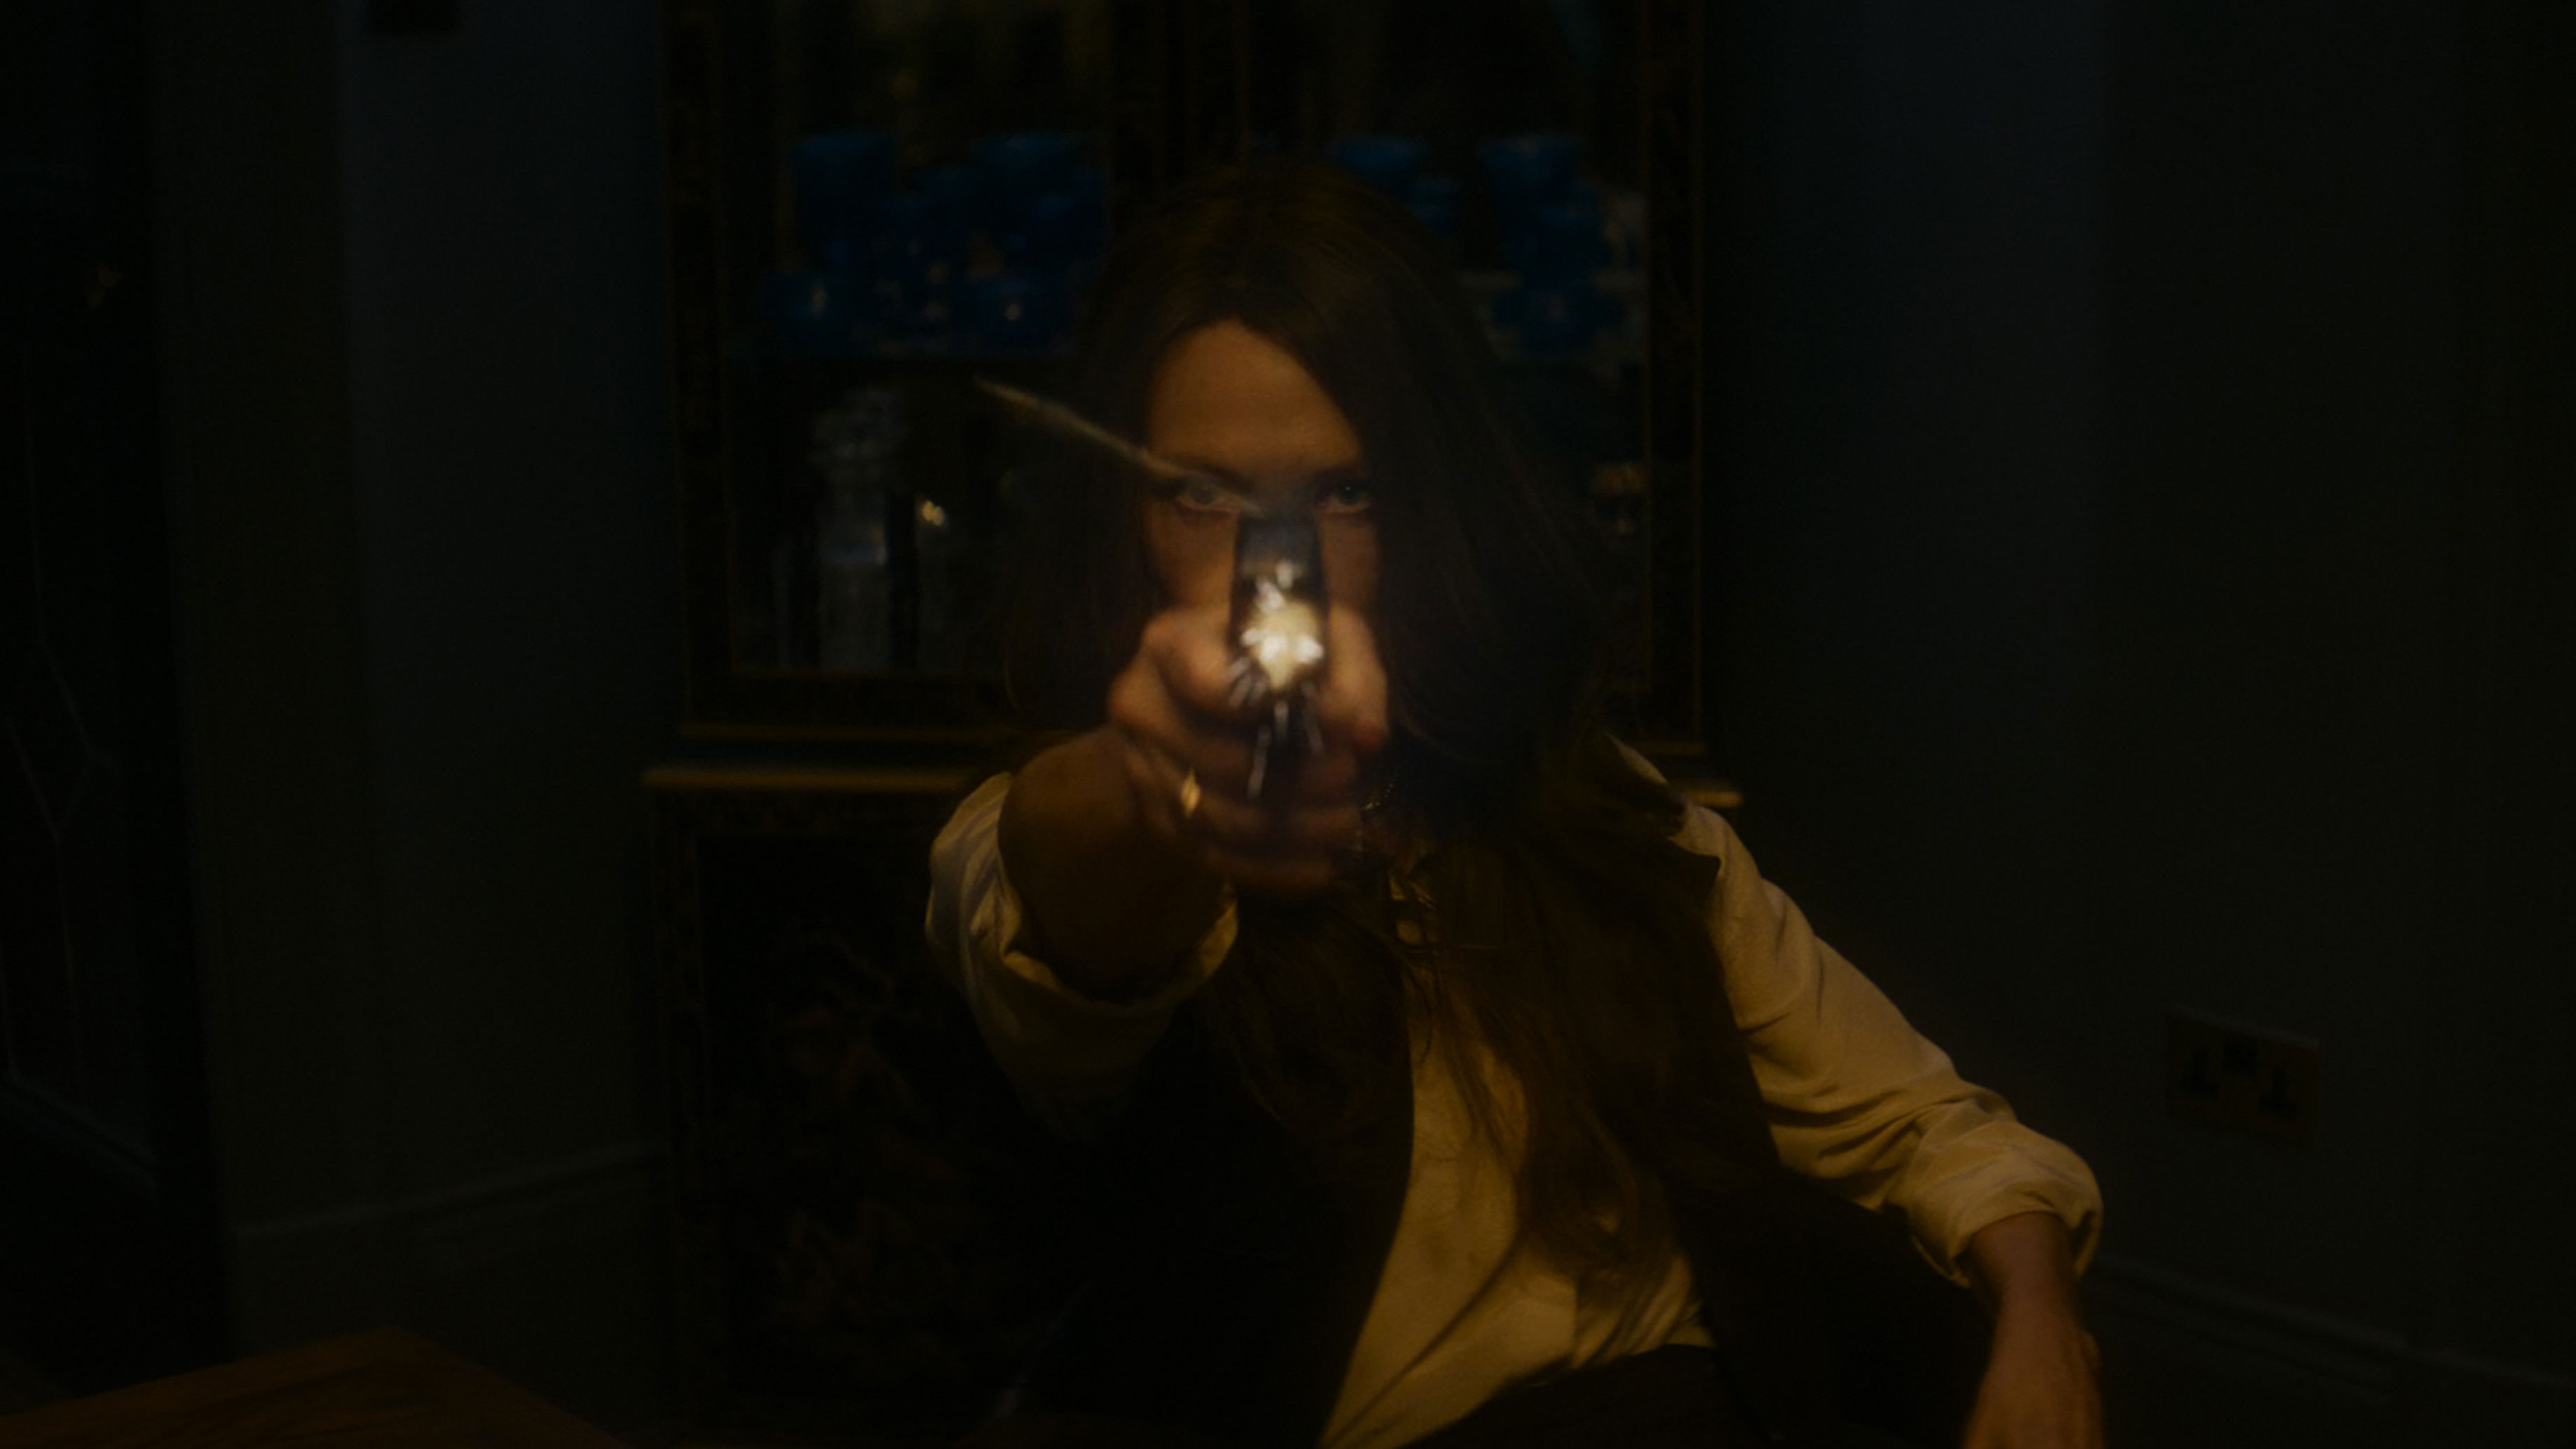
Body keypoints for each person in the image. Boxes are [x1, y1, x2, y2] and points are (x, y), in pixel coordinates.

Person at [926, 160, 2104, 1449]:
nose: (1281, 568)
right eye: (1201, 494)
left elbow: (1924, 1124)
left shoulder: (1602, 811)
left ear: (1431, 505)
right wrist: (1160, 782)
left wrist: (2040, 1321)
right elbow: (1058, 902)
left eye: (1346, 492)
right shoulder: (1066, 830)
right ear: (1124, 515)